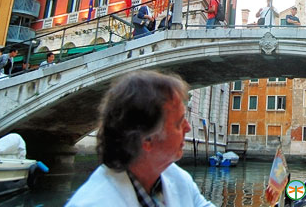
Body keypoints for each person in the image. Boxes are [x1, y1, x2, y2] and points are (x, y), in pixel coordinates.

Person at [66, 71, 214, 207]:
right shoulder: (95, 202)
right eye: (179, 123)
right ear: (147, 141)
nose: (187, 127)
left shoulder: (175, 177)